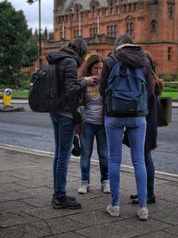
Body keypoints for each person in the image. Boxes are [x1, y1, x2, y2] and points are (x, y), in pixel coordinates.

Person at [99, 34, 153, 221]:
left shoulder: (110, 61)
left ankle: (114, 206)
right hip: (137, 116)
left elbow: (102, 89)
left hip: (113, 115)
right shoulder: (144, 60)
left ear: (118, 46)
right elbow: (151, 91)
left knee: (114, 160)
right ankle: (143, 207)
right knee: (139, 160)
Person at [47, 38, 98, 210]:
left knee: (59, 152)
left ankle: (57, 193)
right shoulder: (69, 62)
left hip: (55, 110)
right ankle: (60, 196)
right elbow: (70, 90)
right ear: (81, 52)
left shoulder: (59, 58)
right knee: (63, 155)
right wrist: (85, 81)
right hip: (65, 113)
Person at [130, 51, 163, 204]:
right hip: (149, 123)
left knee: (144, 158)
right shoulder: (152, 80)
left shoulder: (148, 82)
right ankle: (144, 191)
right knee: (144, 158)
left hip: (146, 124)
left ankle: (148, 193)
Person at [78, 54, 110, 194]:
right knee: (85, 153)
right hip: (87, 123)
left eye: (101, 68)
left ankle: (106, 181)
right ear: (89, 68)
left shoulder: (106, 81)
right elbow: (75, 100)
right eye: (96, 68)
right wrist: (84, 83)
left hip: (102, 124)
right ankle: (85, 182)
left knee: (104, 153)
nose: (98, 71)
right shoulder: (83, 81)